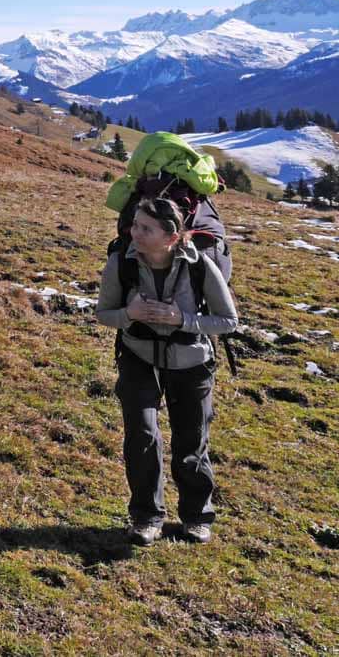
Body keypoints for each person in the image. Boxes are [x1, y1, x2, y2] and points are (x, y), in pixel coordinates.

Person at [95, 196, 238, 545]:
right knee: (141, 437)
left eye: (146, 228)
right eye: (134, 225)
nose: (135, 233)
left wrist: (183, 320)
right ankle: (146, 517)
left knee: (191, 441)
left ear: (172, 237)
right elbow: (103, 314)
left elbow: (229, 321)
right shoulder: (121, 262)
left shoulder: (200, 265)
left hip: (192, 363)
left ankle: (197, 517)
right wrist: (130, 314)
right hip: (137, 357)